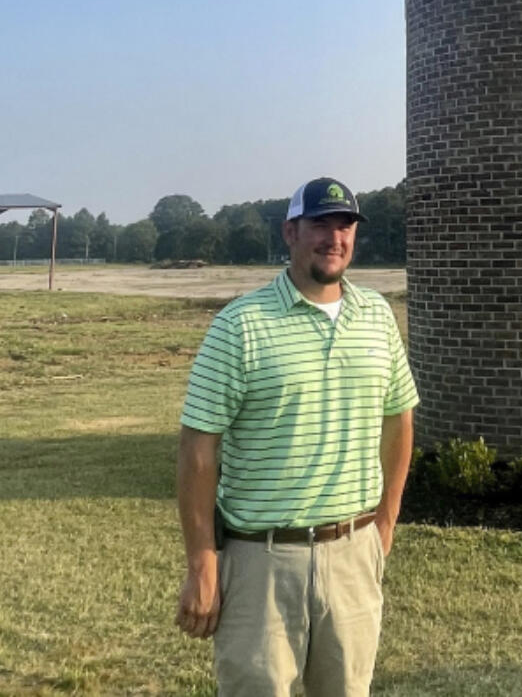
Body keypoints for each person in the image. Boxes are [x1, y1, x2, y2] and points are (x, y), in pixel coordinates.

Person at [175, 177, 418, 697]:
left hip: (353, 553)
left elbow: (399, 419)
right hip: (262, 562)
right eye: (320, 224)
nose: (335, 237)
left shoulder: (376, 317)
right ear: (290, 232)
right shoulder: (240, 325)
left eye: (345, 225)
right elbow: (198, 451)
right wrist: (202, 563)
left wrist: (386, 522)